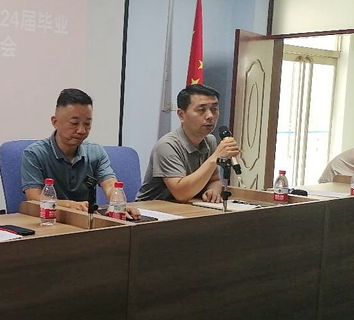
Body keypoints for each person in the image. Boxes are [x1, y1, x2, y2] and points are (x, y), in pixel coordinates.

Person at [21, 88, 140, 218]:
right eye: (74, 123)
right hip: (50, 221)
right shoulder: (35, 154)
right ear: (55, 122)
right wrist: (70, 205)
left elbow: (110, 184)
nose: (82, 130)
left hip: (85, 221)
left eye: (87, 124)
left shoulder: (95, 152)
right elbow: (34, 198)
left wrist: (119, 204)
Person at [136, 83, 240, 203]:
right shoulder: (167, 146)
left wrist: (212, 191)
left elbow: (214, 180)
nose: (210, 116)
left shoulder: (209, 140)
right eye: (201, 110)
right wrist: (215, 157)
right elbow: (181, 194)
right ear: (181, 115)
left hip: (187, 206)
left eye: (214, 109)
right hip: (152, 209)